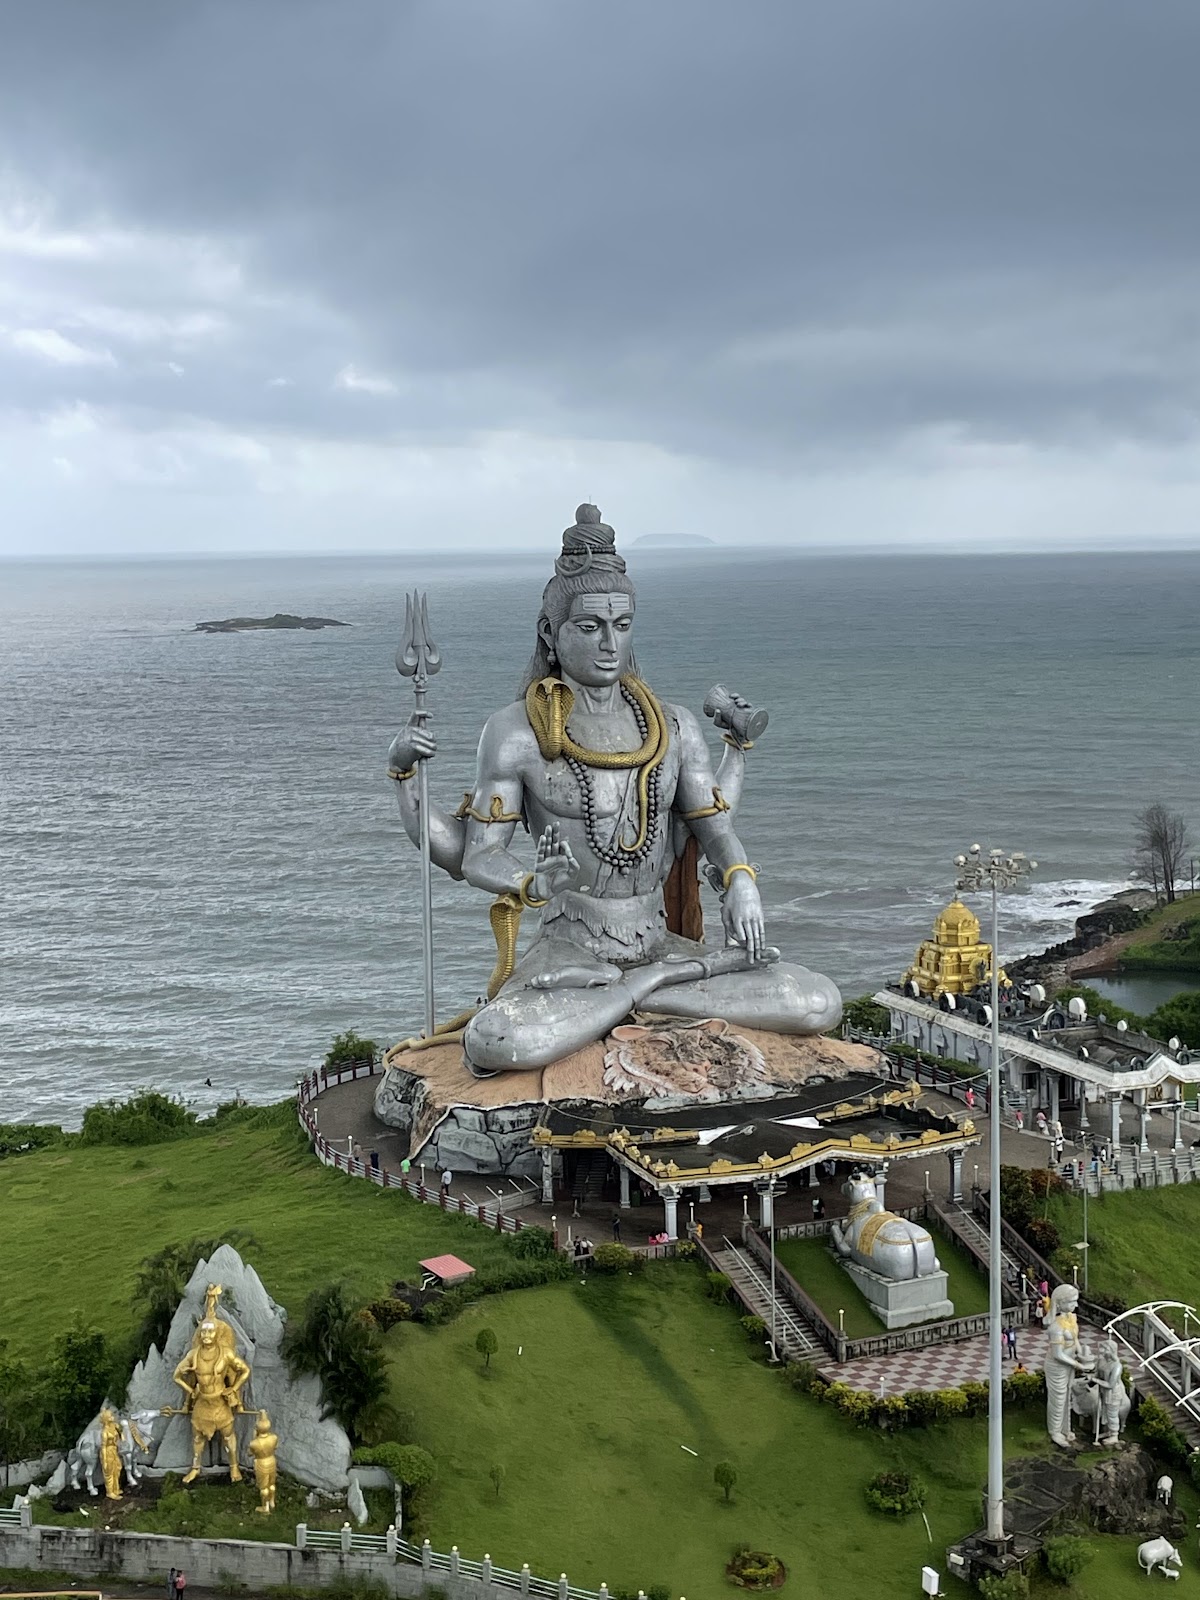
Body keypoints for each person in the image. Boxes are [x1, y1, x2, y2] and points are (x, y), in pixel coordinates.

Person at [385, 503, 841, 1077]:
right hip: (570, 949)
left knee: (816, 1000)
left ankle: (640, 988)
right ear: (551, 632)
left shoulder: (672, 727)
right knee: (499, 1039)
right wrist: (529, 881)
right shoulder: (515, 733)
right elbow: (477, 854)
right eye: (589, 626)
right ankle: (654, 991)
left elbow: (716, 828)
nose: (608, 643)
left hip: (659, 942)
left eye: (621, 626)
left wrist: (741, 881)